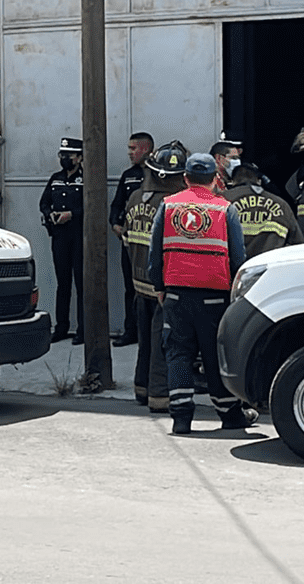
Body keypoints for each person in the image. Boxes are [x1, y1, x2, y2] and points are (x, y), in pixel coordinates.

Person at [148, 152, 254, 435]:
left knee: (178, 355)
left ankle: (181, 418)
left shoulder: (168, 206)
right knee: (214, 355)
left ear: (185, 178)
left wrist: (159, 286)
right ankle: (230, 415)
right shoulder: (225, 209)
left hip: (177, 294)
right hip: (215, 297)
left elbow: (154, 252)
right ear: (215, 179)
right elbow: (237, 257)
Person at [123, 140, 187, 412]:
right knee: (164, 345)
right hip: (164, 287)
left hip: (140, 285)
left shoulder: (136, 197)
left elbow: (127, 239)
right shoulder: (172, 205)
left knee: (144, 343)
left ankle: (142, 388)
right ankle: (160, 397)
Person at [109, 131, 154, 348]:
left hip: (152, 245)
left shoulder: (158, 175)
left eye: (133, 149)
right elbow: (117, 205)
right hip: (130, 243)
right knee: (131, 288)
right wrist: (115, 224)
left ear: (145, 149)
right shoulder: (128, 176)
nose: (129, 153)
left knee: (154, 289)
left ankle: (152, 333)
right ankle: (131, 331)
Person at [40, 137, 85, 345]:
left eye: (69, 155)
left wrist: (72, 214)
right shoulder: (55, 178)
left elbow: (92, 206)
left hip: (79, 236)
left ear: (79, 157)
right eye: (62, 155)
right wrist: (49, 213)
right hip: (59, 237)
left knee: (82, 284)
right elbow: (44, 202)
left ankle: (84, 329)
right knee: (63, 283)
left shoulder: (85, 179)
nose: (65, 159)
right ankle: (61, 327)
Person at [223, 162, 304, 258]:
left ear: (233, 182)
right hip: (270, 267)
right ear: (259, 181)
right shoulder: (281, 204)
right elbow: (298, 244)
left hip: (233, 268)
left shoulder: (223, 200)